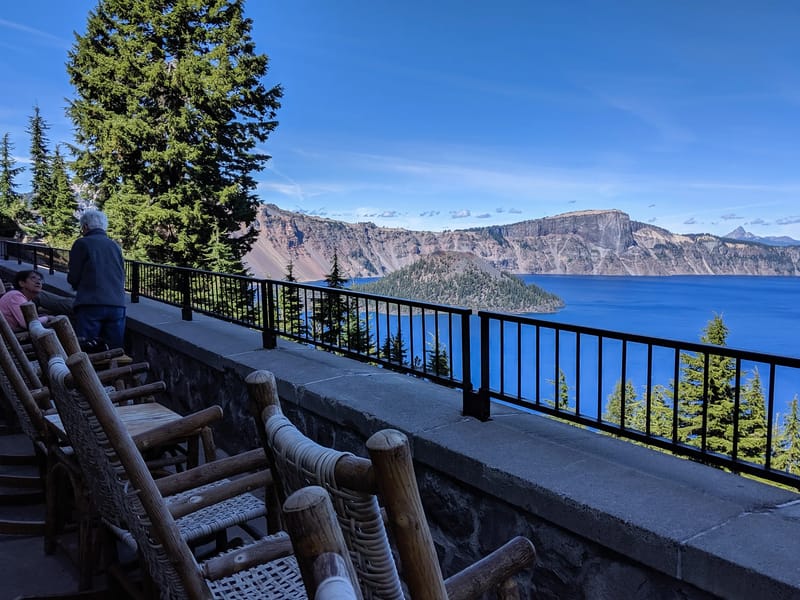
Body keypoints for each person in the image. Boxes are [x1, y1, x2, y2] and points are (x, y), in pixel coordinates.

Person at [67, 209, 127, 349]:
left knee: (87, 349)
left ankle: (91, 372)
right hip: (117, 305)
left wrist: (76, 285)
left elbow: (74, 276)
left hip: (90, 303)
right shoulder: (115, 246)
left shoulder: (82, 243)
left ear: (85, 226)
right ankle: (115, 371)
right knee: (114, 350)